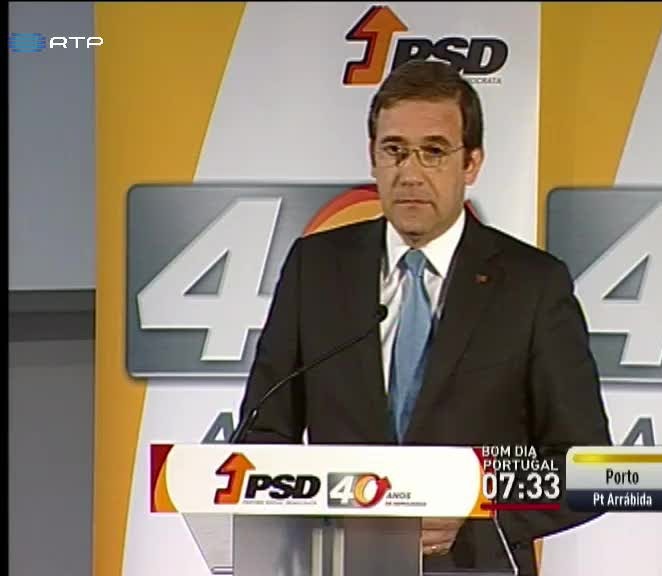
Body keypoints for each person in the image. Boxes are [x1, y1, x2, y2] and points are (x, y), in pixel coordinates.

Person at [237, 60, 612, 575]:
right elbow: (262, 435)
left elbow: (589, 467)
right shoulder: (315, 268)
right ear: (373, 158)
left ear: (471, 163)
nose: (410, 173)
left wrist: (476, 515)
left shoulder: (532, 285)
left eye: (434, 151)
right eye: (394, 150)